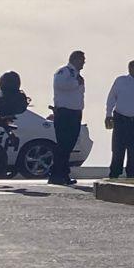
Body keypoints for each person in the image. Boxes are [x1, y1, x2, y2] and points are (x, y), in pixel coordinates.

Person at [103, 60, 134, 181]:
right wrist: (108, 114)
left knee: (133, 149)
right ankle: (114, 173)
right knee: (118, 148)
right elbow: (112, 97)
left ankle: (132, 174)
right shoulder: (121, 81)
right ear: (132, 68)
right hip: (121, 119)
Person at [49, 50, 86, 185]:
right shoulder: (64, 72)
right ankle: (56, 174)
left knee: (69, 145)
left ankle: (63, 174)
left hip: (75, 113)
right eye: (82, 59)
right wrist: (76, 82)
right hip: (65, 113)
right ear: (75, 59)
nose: (84, 62)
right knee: (63, 145)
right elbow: (61, 85)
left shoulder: (76, 74)